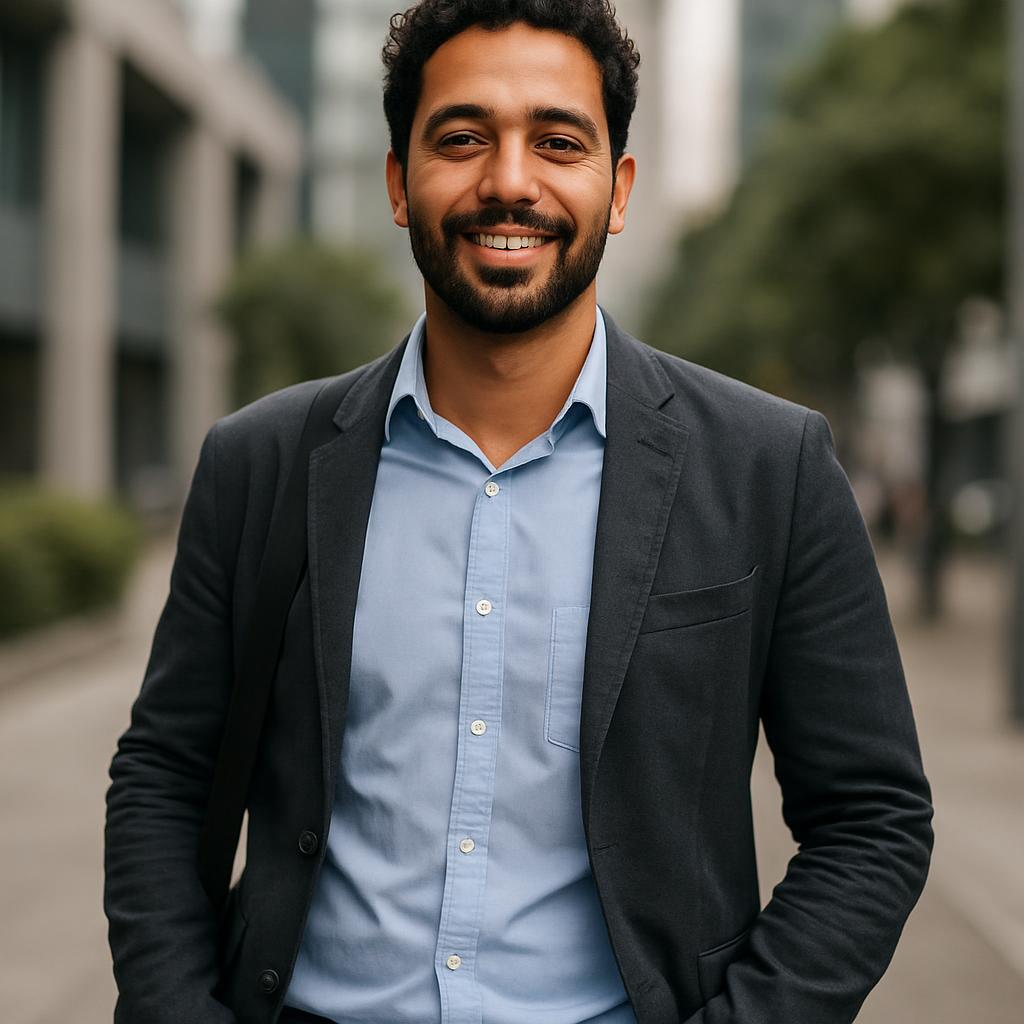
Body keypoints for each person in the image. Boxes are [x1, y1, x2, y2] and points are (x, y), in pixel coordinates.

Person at [104, 2, 933, 1022]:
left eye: (558, 142)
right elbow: (165, 774)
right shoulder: (259, 462)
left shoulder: (771, 467)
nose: (508, 180)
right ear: (398, 183)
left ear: (617, 189)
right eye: (461, 139)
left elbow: (871, 818)